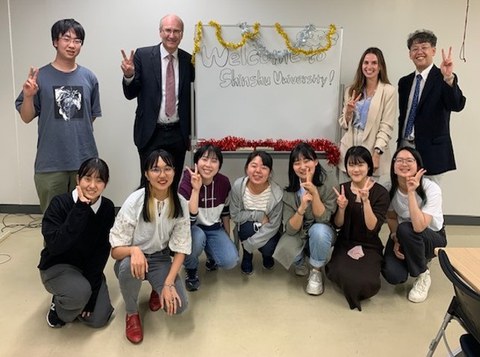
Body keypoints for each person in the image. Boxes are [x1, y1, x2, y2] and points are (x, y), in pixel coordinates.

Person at [15, 18, 102, 213]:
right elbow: (26, 117)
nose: (72, 44)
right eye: (66, 38)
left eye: (77, 40)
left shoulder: (89, 78)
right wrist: (28, 96)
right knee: (53, 219)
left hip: (84, 161)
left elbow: (90, 116)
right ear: (55, 41)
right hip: (50, 163)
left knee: (84, 217)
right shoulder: (41, 77)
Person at [109, 149, 191, 344]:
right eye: (155, 169)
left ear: (174, 171)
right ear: (146, 174)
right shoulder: (134, 201)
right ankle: (131, 313)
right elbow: (115, 250)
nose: (162, 175)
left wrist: (169, 283)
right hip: (132, 259)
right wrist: (133, 250)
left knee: (180, 306)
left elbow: (181, 249)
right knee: (127, 267)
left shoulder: (180, 203)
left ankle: (158, 287)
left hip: (160, 258)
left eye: (167, 168)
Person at [39, 158, 115, 329]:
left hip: (86, 267)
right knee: (75, 301)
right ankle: (59, 304)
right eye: (87, 178)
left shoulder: (107, 208)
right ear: (78, 180)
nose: (92, 185)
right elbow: (56, 246)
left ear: (106, 183)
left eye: (99, 180)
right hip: (57, 266)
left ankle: (79, 293)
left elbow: (101, 251)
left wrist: (93, 292)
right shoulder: (60, 203)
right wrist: (80, 208)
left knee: (98, 318)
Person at [120, 14, 195, 186]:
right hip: (150, 132)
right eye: (168, 30)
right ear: (160, 32)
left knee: (173, 182)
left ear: (182, 34)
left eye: (176, 31)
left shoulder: (188, 60)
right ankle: (148, 213)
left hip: (178, 133)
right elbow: (130, 93)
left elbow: (193, 100)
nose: (172, 35)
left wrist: (191, 133)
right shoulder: (143, 56)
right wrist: (129, 75)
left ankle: (170, 214)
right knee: (149, 183)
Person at [325, 146, 389, 311]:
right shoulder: (342, 189)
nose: (356, 169)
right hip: (345, 242)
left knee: (368, 282)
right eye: (351, 165)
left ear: (368, 166)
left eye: (360, 164)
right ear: (346, 168)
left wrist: (366, 201)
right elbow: (338, 224)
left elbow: (372, 228)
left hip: (369, 244)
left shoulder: (380, 193)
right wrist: (341, 207)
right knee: (337, 271)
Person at [397, 30, 466, 182]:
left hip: (432, 150)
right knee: (404, 194)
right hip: (405, 147)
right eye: (415, 48)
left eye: (424, 47)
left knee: (430, 198)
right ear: (410, 54)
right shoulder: (404, 82)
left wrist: (449, 78)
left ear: (433, 51)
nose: (419, 52)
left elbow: (457, 104)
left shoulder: (443, 77)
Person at [382, 147, 447, 303]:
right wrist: (395, 238)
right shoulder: (389, 187)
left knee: (407, 228)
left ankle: (423, 274)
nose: (404, 164)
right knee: (393, 275)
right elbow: (391, 217)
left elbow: (419, 227)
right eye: (400, 160)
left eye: (409, 160)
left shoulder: (431, 189)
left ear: (418, 165)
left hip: (432, 237)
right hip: (403, 235)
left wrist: (411, 192)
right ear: (393, 165)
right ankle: (415, 256)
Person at [273, 142, 338, 295]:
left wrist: (314, 193)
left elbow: (323, 219)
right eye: (297, 163)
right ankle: (300, 261)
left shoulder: (329, 182)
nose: (302, 166)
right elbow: (290, 229)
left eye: (306, 161)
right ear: (292, 167)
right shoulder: (289, 192)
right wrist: (301, 208)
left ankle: (316, 271)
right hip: (300, 231)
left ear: (315, 161)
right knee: (284, 247)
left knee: (319, 231)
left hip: (322, 228)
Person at [179, 144, 239, 291]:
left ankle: (211, 257)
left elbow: (225, 212)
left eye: (214, 160)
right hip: (192, 228)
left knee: (230, 260)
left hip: (214, 228)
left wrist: (227, 234)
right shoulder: (187, 180)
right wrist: (196, 189)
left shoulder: (223, 182)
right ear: (196, 161)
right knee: (198, 238)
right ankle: (191, 271)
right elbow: (189, 218)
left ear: (219, 165)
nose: (208, 165)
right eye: (204, 159)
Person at [338, 47, 396, 184]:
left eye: (374, 63)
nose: (369, 67)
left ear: (381, 66)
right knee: (350, 196)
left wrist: (377, 153)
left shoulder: (388, 91)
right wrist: (349, 112)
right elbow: (344, 124)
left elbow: (386, 126)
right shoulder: (350, 90)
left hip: (373, 148)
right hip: (350, 148)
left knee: (371, 195)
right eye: (366, 63)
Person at [229, 151, 283, 275]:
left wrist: (249, 244)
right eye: (253, 166)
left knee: (269, 248)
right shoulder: (239, 186)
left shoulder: (277, 193)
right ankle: (247, 256)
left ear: (270, 172)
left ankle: (266, 256)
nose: (258, 171)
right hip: (247, 227)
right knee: (246, 227)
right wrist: (258, 215)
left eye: (264, 167)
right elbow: (235, 215)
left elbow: (274, 225)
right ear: (247, 168)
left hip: (269, 230)